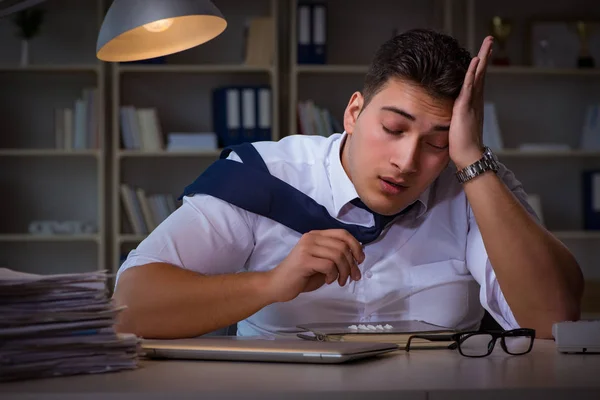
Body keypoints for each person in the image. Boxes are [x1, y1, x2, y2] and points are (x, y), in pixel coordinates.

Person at [113, 28, 583, 340]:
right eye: (394, 129)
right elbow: (130, 307)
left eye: (437, 142)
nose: (407, 161)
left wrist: (468, 158)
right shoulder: (265, 176)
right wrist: (271, 284)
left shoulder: (475, 182)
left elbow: (553, 320)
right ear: (355, 112)